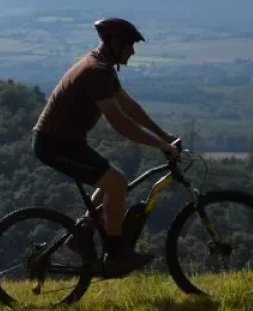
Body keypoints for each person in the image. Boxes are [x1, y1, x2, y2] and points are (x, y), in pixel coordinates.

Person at [33, 17, 182, 277]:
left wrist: (164, 135)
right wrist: (159, 144)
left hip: (67, 142)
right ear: (115, 44)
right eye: (130, 45)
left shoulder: (103, 65)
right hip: (54, 144)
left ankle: (83, 233)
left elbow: (129, 106)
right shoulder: (96, 71)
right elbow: (121, 123)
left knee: (110, 180)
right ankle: (115, 255)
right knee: (116, 183)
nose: (133, 52)